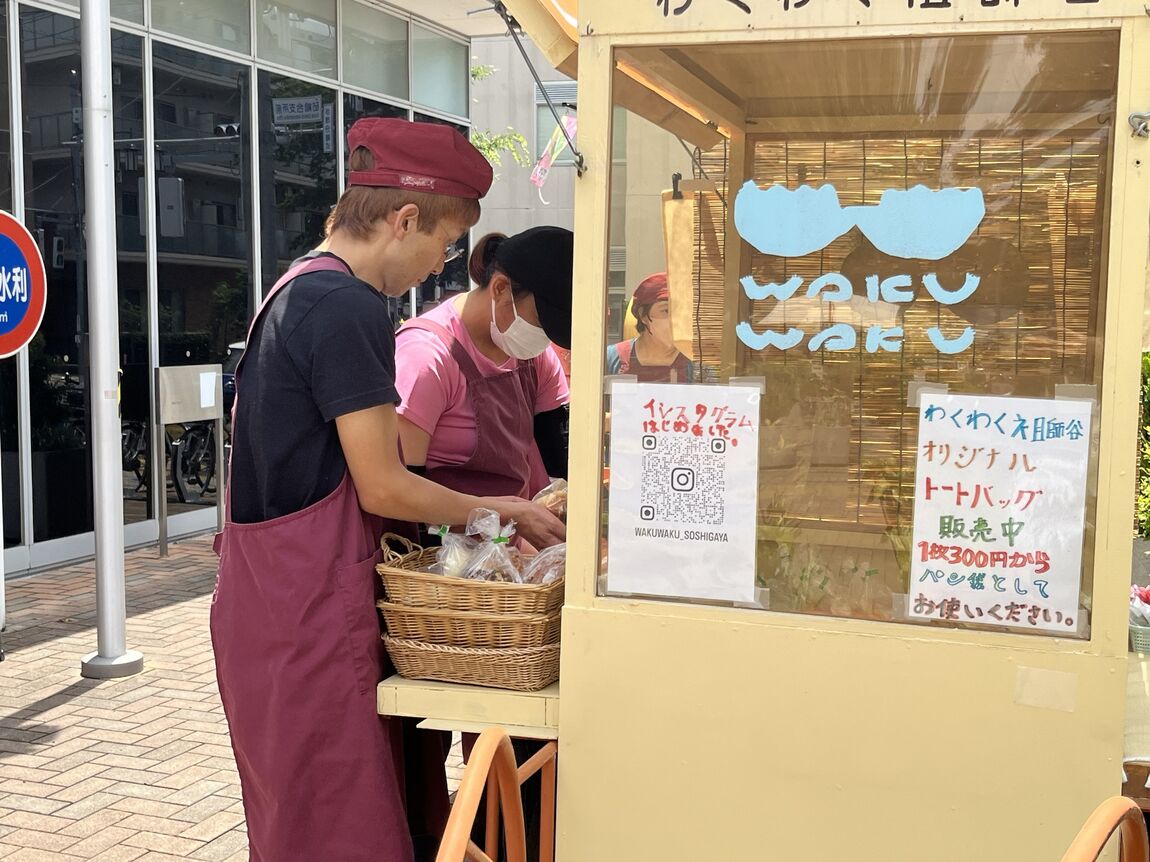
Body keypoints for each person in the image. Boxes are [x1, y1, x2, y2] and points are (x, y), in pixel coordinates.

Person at [210, 118, 565, 862]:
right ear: (404, 219)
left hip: (270, 600)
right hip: (310, 605)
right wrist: (502, 511)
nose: (439, 267)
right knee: (341, 827)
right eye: (441, 245)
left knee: (302, 822)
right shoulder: (349, 308)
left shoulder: (293, 288)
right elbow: (382, 483)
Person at [394, 227, 573, 511]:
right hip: (436, 546)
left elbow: (559, 457)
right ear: (500, 288)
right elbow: (400, 489)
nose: (544, 337)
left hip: (509, 542)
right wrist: (506, 515)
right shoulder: (426, 357)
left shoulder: (535, 357)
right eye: (541, 321)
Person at [606, 272, 697, 383]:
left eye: (683, 312)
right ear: (643, 315)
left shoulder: (695, 365)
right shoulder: (611, 359)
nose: (677, 321)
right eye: (666, 311)